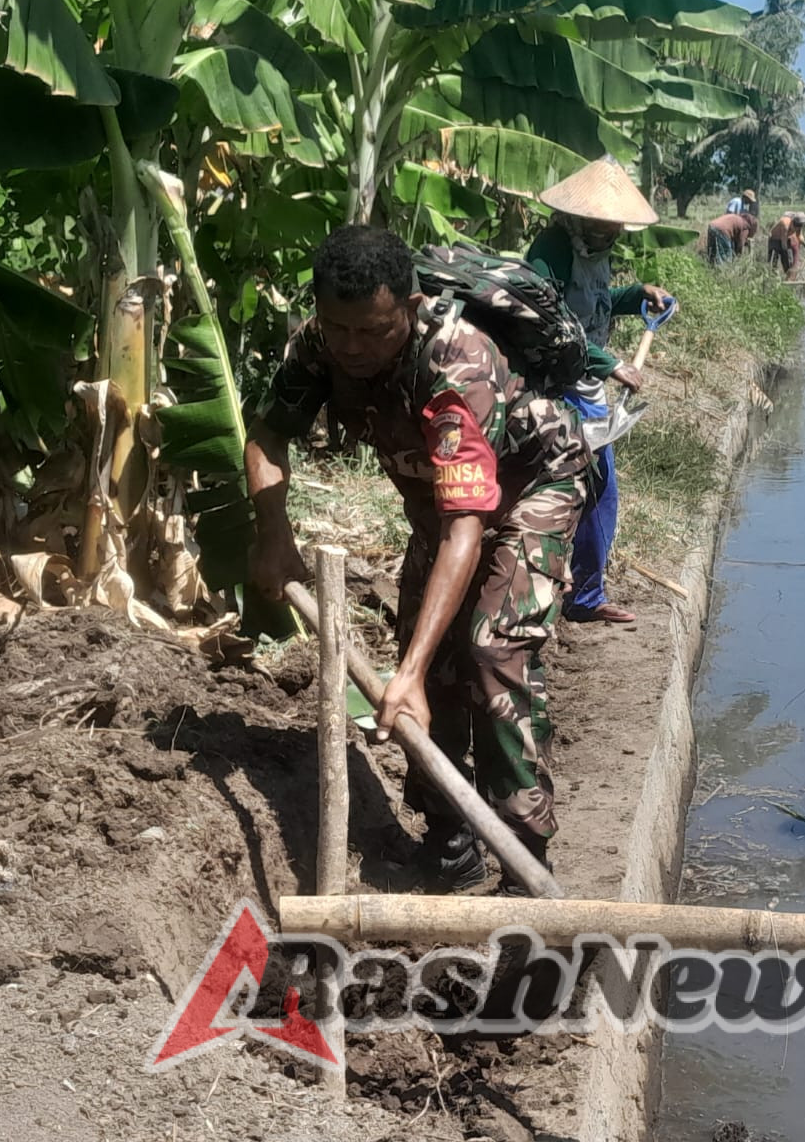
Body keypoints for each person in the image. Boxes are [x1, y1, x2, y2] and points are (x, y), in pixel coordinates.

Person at [246, 225, 591, 889]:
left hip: (532, 485)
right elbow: (267, 434)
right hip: (441, 501)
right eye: (338, 328)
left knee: (492, 650)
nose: (352, 347)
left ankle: (524, 857)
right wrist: (273, 533)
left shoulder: (457, 363)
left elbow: (468, 528)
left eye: (373, 331)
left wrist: (405, 672)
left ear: (409, 306)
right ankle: (450, 836)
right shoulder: (320, 345)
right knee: (427, 668)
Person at [526, 156, 673, 626]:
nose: (609, 233)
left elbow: (596, 304)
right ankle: (561, 593)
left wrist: (638, 295)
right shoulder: (551, 250)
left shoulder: (595, 250)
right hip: (554, 387)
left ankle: (584, 594)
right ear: (580, 217)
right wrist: (611, 365)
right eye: (602, 225)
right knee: (578, 489)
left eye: (614, 227)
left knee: (599, 492)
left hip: (586, 386)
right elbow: (549, 324)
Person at [767, 211, 805, 278]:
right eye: (797, 226)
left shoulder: (799, 226)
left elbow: (799, 237)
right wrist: (786, 254)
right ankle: (773, 277)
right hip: (774, 240)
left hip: (786, 239)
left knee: (788, 262)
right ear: (793, 221)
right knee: (773, 261)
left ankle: (789, 277)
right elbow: (783, 243)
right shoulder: (785, 224)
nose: (797, 228)